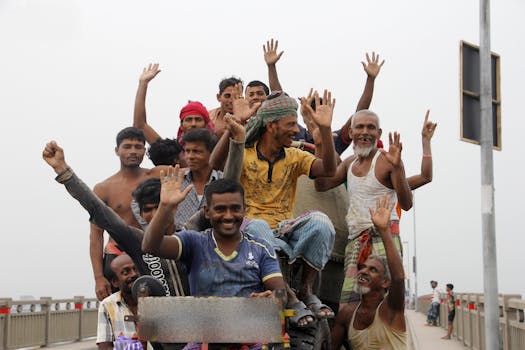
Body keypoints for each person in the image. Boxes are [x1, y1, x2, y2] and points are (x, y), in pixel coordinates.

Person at [211, 86, 338, 323]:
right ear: (271, 126)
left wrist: (325, 128)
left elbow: (329, 170)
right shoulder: (245, 153)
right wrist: (235, 125)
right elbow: (216, 163)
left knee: (322, 223)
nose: (295, 129)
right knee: (258, 226)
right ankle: (287, 294)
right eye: (290, 124)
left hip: (283, 227)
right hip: (248, 228)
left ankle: (306, 291)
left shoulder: (294, 156)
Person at [314, 110, 413, 304]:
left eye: (371, 127)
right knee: (349, 304)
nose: (365, 132)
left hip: (384, 238)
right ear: (351, 133)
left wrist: (398, 167)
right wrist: (320, 143)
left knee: (382, 302)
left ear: (379, 133)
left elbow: (407, 203)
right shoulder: (349, 164)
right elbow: (321, 185)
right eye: (359, 127)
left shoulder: (387, 160)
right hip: (355, 240)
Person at [142, 171, 287, 298]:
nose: (229, 216)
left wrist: (268, 300)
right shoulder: (194, 242)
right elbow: (150, 246)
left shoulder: (261, 248)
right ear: (207, 212)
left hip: (249, 327)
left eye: (235, 208)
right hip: (205, 328)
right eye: (220, 209)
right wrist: (164, 207)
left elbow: (280, 293)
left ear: (244, 210)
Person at [90, 127, 166, 301]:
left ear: (144, 151)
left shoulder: (158, 175)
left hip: (151, 252)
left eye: (138, 147)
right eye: (127, 146)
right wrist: (99, 278)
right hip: (116, 255)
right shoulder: (104, 188)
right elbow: (95, 237)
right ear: (117, 151)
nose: (133, 151)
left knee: (154, 308)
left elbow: (194, 165)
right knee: (118, 306)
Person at [331, 195, 407, 350]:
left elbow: (398, 278)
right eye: (362, 267)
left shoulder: (390, 310)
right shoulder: (347, 315)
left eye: (373, 270)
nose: (364, 271)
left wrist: (384, 230)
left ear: (385, 282)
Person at [133, 63, 214, 146]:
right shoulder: (174, 154)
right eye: (189, 120)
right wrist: (143, 83)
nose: (193, 124)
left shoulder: (218, 149)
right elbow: (140, 125)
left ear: (205, 125)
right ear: (181, 126)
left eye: (198, 120)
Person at [94, 254, 146, 350]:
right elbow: (104, 346)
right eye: (126, 272)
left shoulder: (155, 299)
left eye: (135, 269)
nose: (134, 274)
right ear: (115, 282)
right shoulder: (107, 305)